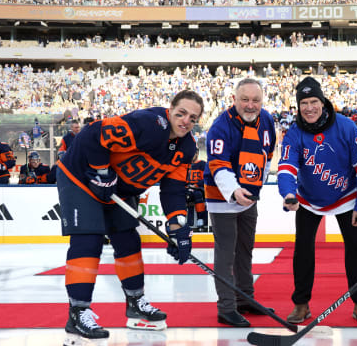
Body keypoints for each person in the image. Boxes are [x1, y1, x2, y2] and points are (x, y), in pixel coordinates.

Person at [57, 90, 204, 341]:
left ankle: (135, 303)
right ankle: (78, 311)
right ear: (169, 110)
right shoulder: (147, 124)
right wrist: (101, 172)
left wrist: (178, 228)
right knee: (88, 240)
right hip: (80, 177)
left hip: (118, 189)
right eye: (181, 113)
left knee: (128, 240)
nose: (185, 121)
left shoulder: (187, 148)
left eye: (192, 118)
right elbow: (94, 134)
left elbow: (174, 192)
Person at [278, 76, 357, 325]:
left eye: (313, 102)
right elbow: (286, 166)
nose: (309, 108)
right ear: (297, 107)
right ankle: (301, 305)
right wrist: (288, 193)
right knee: (303, 249)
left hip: (347, 196)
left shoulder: (346, 126)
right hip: (309, 199)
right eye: (304, 103)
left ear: (322, 102)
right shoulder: (295, 132)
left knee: (355, 248)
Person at [204, 78, 276, 327]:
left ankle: (245, 298)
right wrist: (234, 190)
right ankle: (226, 308)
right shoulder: (220, 127)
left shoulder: (266, 120)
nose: (250, 105)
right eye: (244, 99)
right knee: (226, 254)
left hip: (249, 199)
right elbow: (217, 164)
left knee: (246, 250)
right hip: (221, 198)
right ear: (234, 100)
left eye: (255, 100)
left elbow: (268, 154)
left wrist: (257, 186)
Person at [186, 150, 208, 232]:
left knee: (197, 194)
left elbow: (206, 178)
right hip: (187, 189)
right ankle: (182, 221)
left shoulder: (202, 164)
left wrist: (195, 185)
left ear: (197, 153)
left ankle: (200, 220)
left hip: (199, 189)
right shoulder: (186, 165)